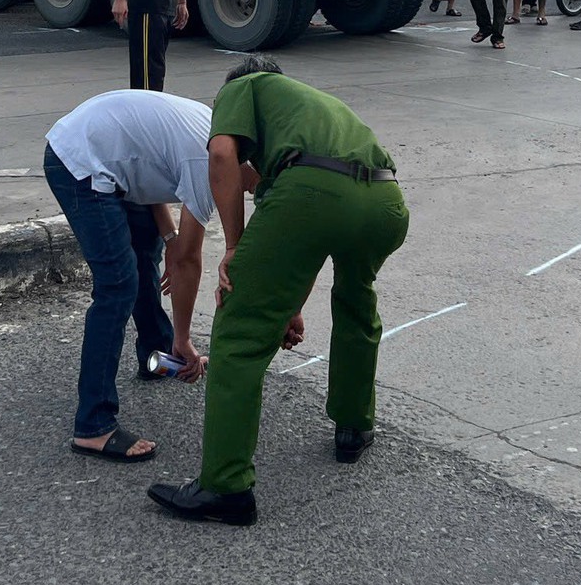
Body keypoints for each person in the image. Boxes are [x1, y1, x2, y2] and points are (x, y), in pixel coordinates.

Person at [147, 54, 409, 527]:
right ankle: (354, 426)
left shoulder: (244, 87)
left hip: (316, 194)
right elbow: (300, 240)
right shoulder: (309, 115)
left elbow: (223, 155)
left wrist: (232, 247)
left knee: (240, 331)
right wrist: (289, 306)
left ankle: (224, 486)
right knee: (355, 299)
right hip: (385, 203)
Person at [45, 88, 217, 463]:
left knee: (146, 253)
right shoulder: (208, 161)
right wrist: (186, 338)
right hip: (78, 160)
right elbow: (189, 261)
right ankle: (93, 425)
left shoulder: (215, 135)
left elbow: (144, 166)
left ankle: (159, 357)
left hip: (109, 158)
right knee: (118, 285)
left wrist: (169, 236)